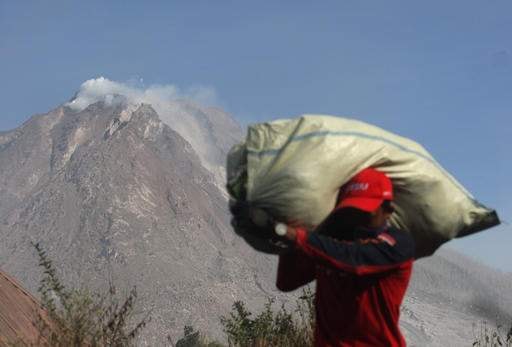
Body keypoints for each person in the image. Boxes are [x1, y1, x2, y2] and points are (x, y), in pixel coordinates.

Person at [275, 167, 415, 347]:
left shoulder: (397, 244)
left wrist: (295, 235)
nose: (357, 218)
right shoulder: (330, 245)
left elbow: (354, 260)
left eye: (366, 211)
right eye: (351, 210)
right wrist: (286, 240)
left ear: (387, 210)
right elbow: (287, 281)